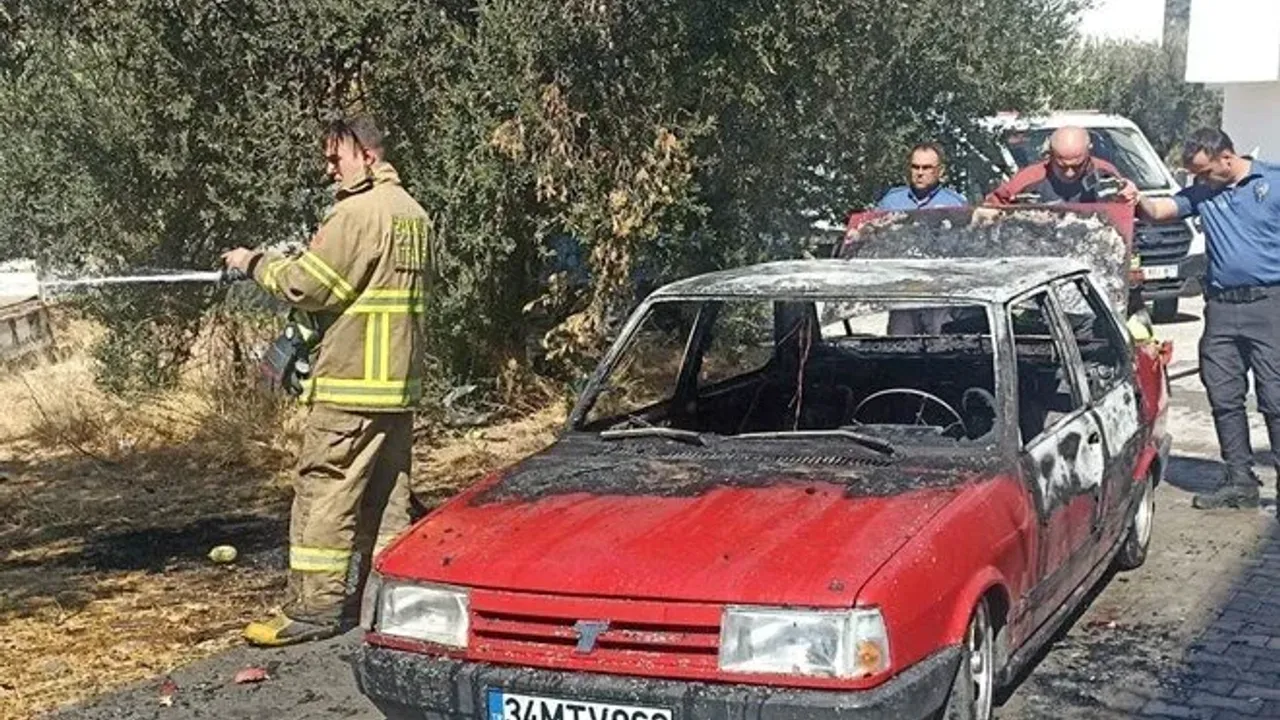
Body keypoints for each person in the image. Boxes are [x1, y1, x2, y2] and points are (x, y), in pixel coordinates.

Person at [222, 114, 435, 645]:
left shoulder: (357, 213)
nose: (329, 169)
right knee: (387, 499)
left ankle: (313, 609)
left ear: (367, 155)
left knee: (325, 492)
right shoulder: (414, 214)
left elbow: (309, 287)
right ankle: (388, 603)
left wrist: (255, 263)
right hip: (396, 387)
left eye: (335, 158)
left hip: (350, 385)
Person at [1137, 128, 1280, 511]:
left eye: (1204, 172)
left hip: (1270, 305)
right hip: (1221, 309)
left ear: (1227, 159)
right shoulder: (1203, 192)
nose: (1199, 181)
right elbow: (1159, 211)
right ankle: (1239, 481)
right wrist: (1136, 198)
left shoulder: (1273, 183)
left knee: (1275, 397)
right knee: (1223, 394)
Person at [985, 126, 1138, 206]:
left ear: (1088, 152)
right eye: (1061, 166)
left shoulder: (1104, 173)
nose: (1069, 173)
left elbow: (1127, 202)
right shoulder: (1028, 180)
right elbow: (990, 209)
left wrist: (1130, 194)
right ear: (1050, 155)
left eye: (1077, 166)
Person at [875, 143, 968, 210]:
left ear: (940, 171)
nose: (920, 173)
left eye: (926, 168)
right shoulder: (891, 202)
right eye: (915, 167)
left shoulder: (955, 204)